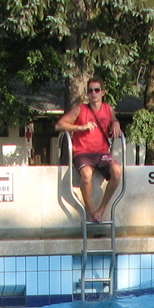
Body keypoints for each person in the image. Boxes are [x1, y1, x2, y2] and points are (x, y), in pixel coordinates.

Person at [57, 78, 124, 223]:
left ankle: (101, 210)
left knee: (117, 172)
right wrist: (80, 127)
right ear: (87, 94)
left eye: (97, 90)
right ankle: (90, 212)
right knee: (86, 175)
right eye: (90, 90)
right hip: (82, 153)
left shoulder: (108, 109)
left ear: (103, 92)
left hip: (102, 153)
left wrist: (116, 122)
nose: (93, 93)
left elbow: (112, 119)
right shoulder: (80, 109)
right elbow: (59, 125)